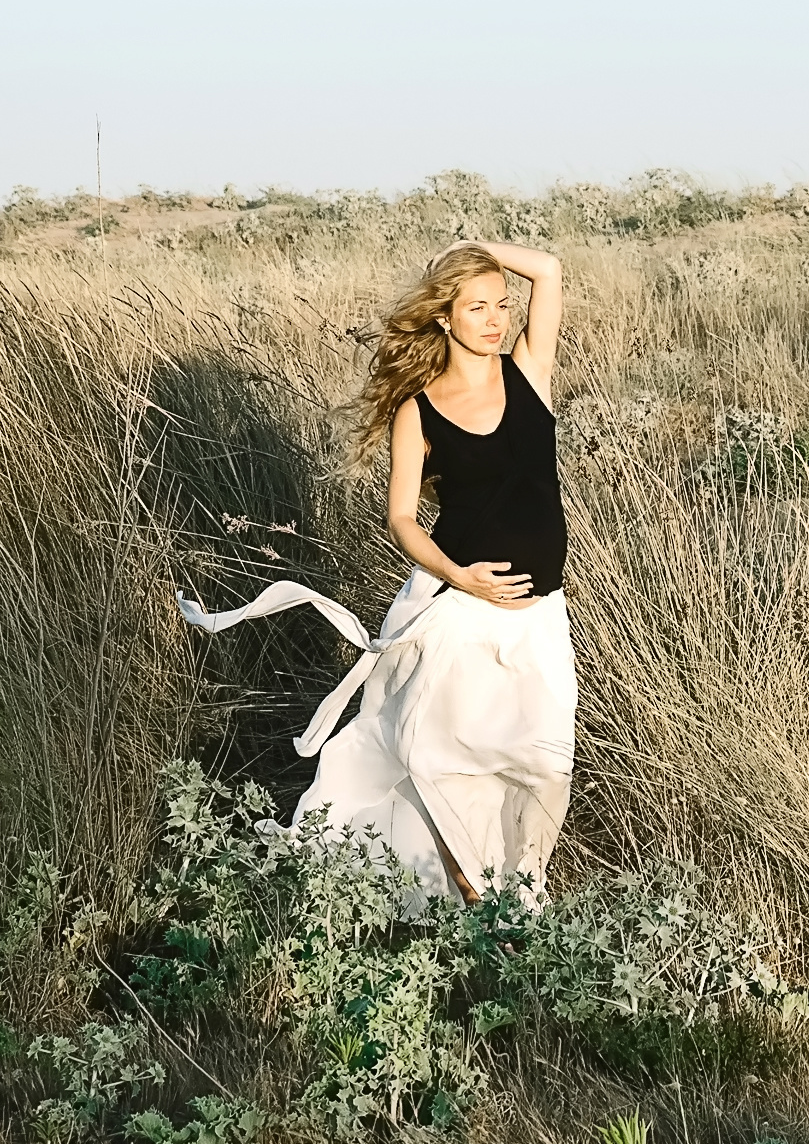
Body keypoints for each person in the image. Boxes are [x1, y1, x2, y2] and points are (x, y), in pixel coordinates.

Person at [177, 240, 575, 911]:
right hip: (459, 613)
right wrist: (462, 576)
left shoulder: (529, 374)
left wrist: (468, 249)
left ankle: (520, 891)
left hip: (540, 617)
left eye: (502, 305)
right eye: (476, 307)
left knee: (545, 769)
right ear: (444, 316)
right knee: (441, 763)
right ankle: (486, 909)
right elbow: (402, 520)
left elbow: (549, 269)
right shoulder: (419, 409)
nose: (495, 320)